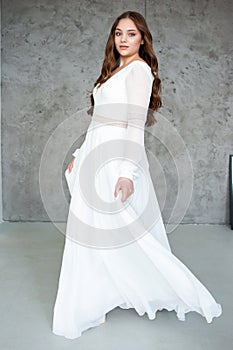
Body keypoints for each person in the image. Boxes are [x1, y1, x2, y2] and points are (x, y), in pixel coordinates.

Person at [52, 11, 222, 339]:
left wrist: (128, 173)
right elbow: (97, 120)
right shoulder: (113, 71)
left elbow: (134, 124)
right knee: (90, 232)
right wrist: (78, 155)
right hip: (94, 153)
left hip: (117, 156)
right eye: (118, 33)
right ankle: (93, 300)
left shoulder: (141, 71)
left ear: (142, 39)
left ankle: (175, 288)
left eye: (131, 34)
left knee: (121, 230)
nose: (124, 40)